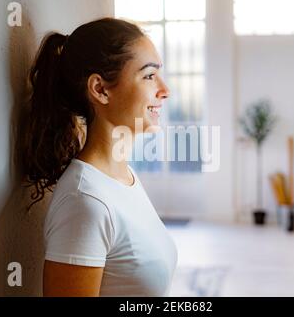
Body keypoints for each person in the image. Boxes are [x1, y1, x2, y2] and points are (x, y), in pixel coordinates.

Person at [21, 17, 177, 297]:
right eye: (149, 75)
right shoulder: (86, 201)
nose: (165, 91)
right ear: (100, 90)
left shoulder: (123, 178)